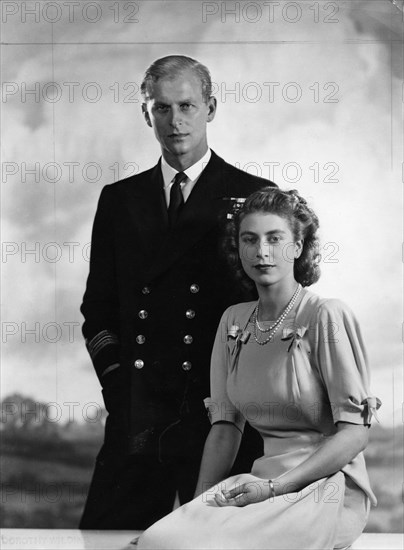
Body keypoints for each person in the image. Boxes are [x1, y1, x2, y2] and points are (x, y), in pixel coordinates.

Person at [79, 55, 275, 529]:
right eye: (161, 108)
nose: (176, 120)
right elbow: (98, 308)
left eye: (186, 105)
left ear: (210, 108)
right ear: (146, 114)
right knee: (107, 539)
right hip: (139, 412)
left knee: (225, 543)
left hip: (222, 417)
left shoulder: (254, 197)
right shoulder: (119, 200)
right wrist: (119, 383)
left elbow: (276, 310)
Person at [137, 187, 381, 550]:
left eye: (275, 239)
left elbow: (354, 434)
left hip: (326, 487)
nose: (262, 251)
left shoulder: (325, 315)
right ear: (238, 248)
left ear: (297, 247)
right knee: (160, 540)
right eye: (249, 239)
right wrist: (199, 506)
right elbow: (224, 429)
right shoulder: (233, 322)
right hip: (259, 483)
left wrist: (276, 488)